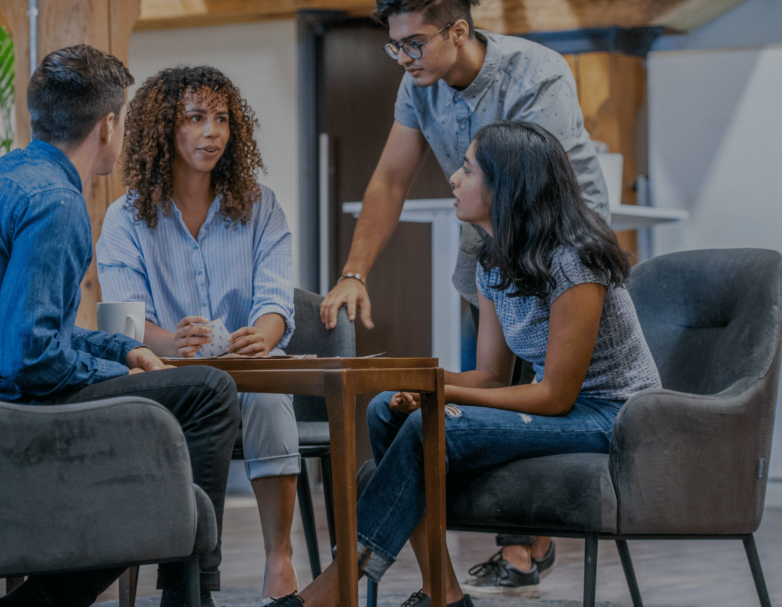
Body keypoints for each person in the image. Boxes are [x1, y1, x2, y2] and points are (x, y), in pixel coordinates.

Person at [270, 122, 662, 607]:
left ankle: (334, 586)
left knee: (431, 426)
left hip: (614, 416)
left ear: (507, 186)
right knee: (384, 411)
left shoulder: (574, 260)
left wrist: (441, 393)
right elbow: (491, 377)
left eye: (468, 170)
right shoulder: (491, 259)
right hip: (566, 408)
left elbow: (556, 395)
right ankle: (444, 592)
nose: (453, 179)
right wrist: (412, 382)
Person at [0, 45, 240, 607]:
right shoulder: (58, 203)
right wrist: (108, 362)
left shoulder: (4, 176)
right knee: (208, 390)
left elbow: (18, 331)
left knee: (163, 426)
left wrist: (118, 348)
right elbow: (28, 359)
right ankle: (189, 595)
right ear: (108, 126)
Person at [318, 0, 611, 592]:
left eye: (414, 42)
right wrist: (354, 272)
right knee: (482, 378)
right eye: (394, 45)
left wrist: (443, 393)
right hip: (492, 243)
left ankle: (521, 542)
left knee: (536, 381)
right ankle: (442, 583)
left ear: (457, 31)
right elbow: (391, 178)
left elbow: (539, 187)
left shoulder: (535, 74)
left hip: (556, 244)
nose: (402, 57)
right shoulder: (417, 83)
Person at [96, 65, 302, 602]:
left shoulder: (262, 206)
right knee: (202, 394)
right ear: (165, 128)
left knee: (269, 391)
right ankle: (183, 580)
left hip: (247, 368)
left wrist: (263, 332)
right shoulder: (125, 218)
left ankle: (280, 561)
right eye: (195, 118)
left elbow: (277, 298)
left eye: (221, 119)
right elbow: (121, 322)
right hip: (167, 374)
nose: (212, 131)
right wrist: (169, 342)